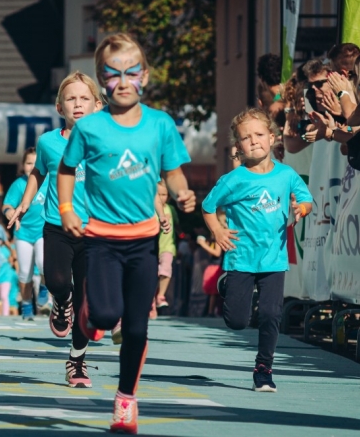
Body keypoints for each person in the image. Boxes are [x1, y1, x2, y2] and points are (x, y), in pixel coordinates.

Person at [58, 33, 196, 433]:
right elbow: (66, 169)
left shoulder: (160, 124)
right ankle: (89, 311)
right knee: (104, 314)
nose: (122, 81)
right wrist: (67, 209)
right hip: (101, 239)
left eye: (131, 72)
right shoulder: (90, 128)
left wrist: (183, 192)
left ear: (145, 76)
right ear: (102, 79)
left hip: (144, 242)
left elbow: (173, 171)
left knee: (136, 327)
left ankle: (125, 400)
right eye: (112, 73)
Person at [202, 107, 313, 393]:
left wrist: (300, 209)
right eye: (246, 137)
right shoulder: (234, 180)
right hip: (241, 257)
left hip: (274, 258)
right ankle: (226, 284)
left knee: (270, 314)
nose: (254, 141)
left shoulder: (286, 174)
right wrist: (217, 231)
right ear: (238, 146)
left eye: (259, 134)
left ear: (272, 138)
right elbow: (208, 206)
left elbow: (306, 199)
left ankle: (263, 369)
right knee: (237, 321)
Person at [8, 71, 103, 388]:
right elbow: (37, 173)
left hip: (94, 231)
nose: (78, 104)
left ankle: (77, 362)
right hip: (57, 226)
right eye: (71, 99)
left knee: (87, 304)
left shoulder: (106, 142)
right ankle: (62, 301)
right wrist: (24, 203)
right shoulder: (48, 142)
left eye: (84, 98)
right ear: (59, 107)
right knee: (58, 282)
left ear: (97, 105)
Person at [2, 148, 47, 321]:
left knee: (43, 263)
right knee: (25, 272)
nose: (32, 167)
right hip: (23, 233)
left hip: (43, 231)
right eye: (29, 163)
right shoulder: (19, 184)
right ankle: (27, 305)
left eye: (36, 163)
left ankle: (44, 286)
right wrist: (9, 212)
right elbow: (7, 205)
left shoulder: (49, 181)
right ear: (23, 165)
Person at [155, 179, 178, 311]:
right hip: (153, 247)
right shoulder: (151, 210)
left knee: (166, 269)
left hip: (168, 246)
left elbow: (177, 226)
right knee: (151, 275)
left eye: (164, 195)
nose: (161, 197)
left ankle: (161, 295)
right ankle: (151, 301)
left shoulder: (171, 209)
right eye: (158, 194)